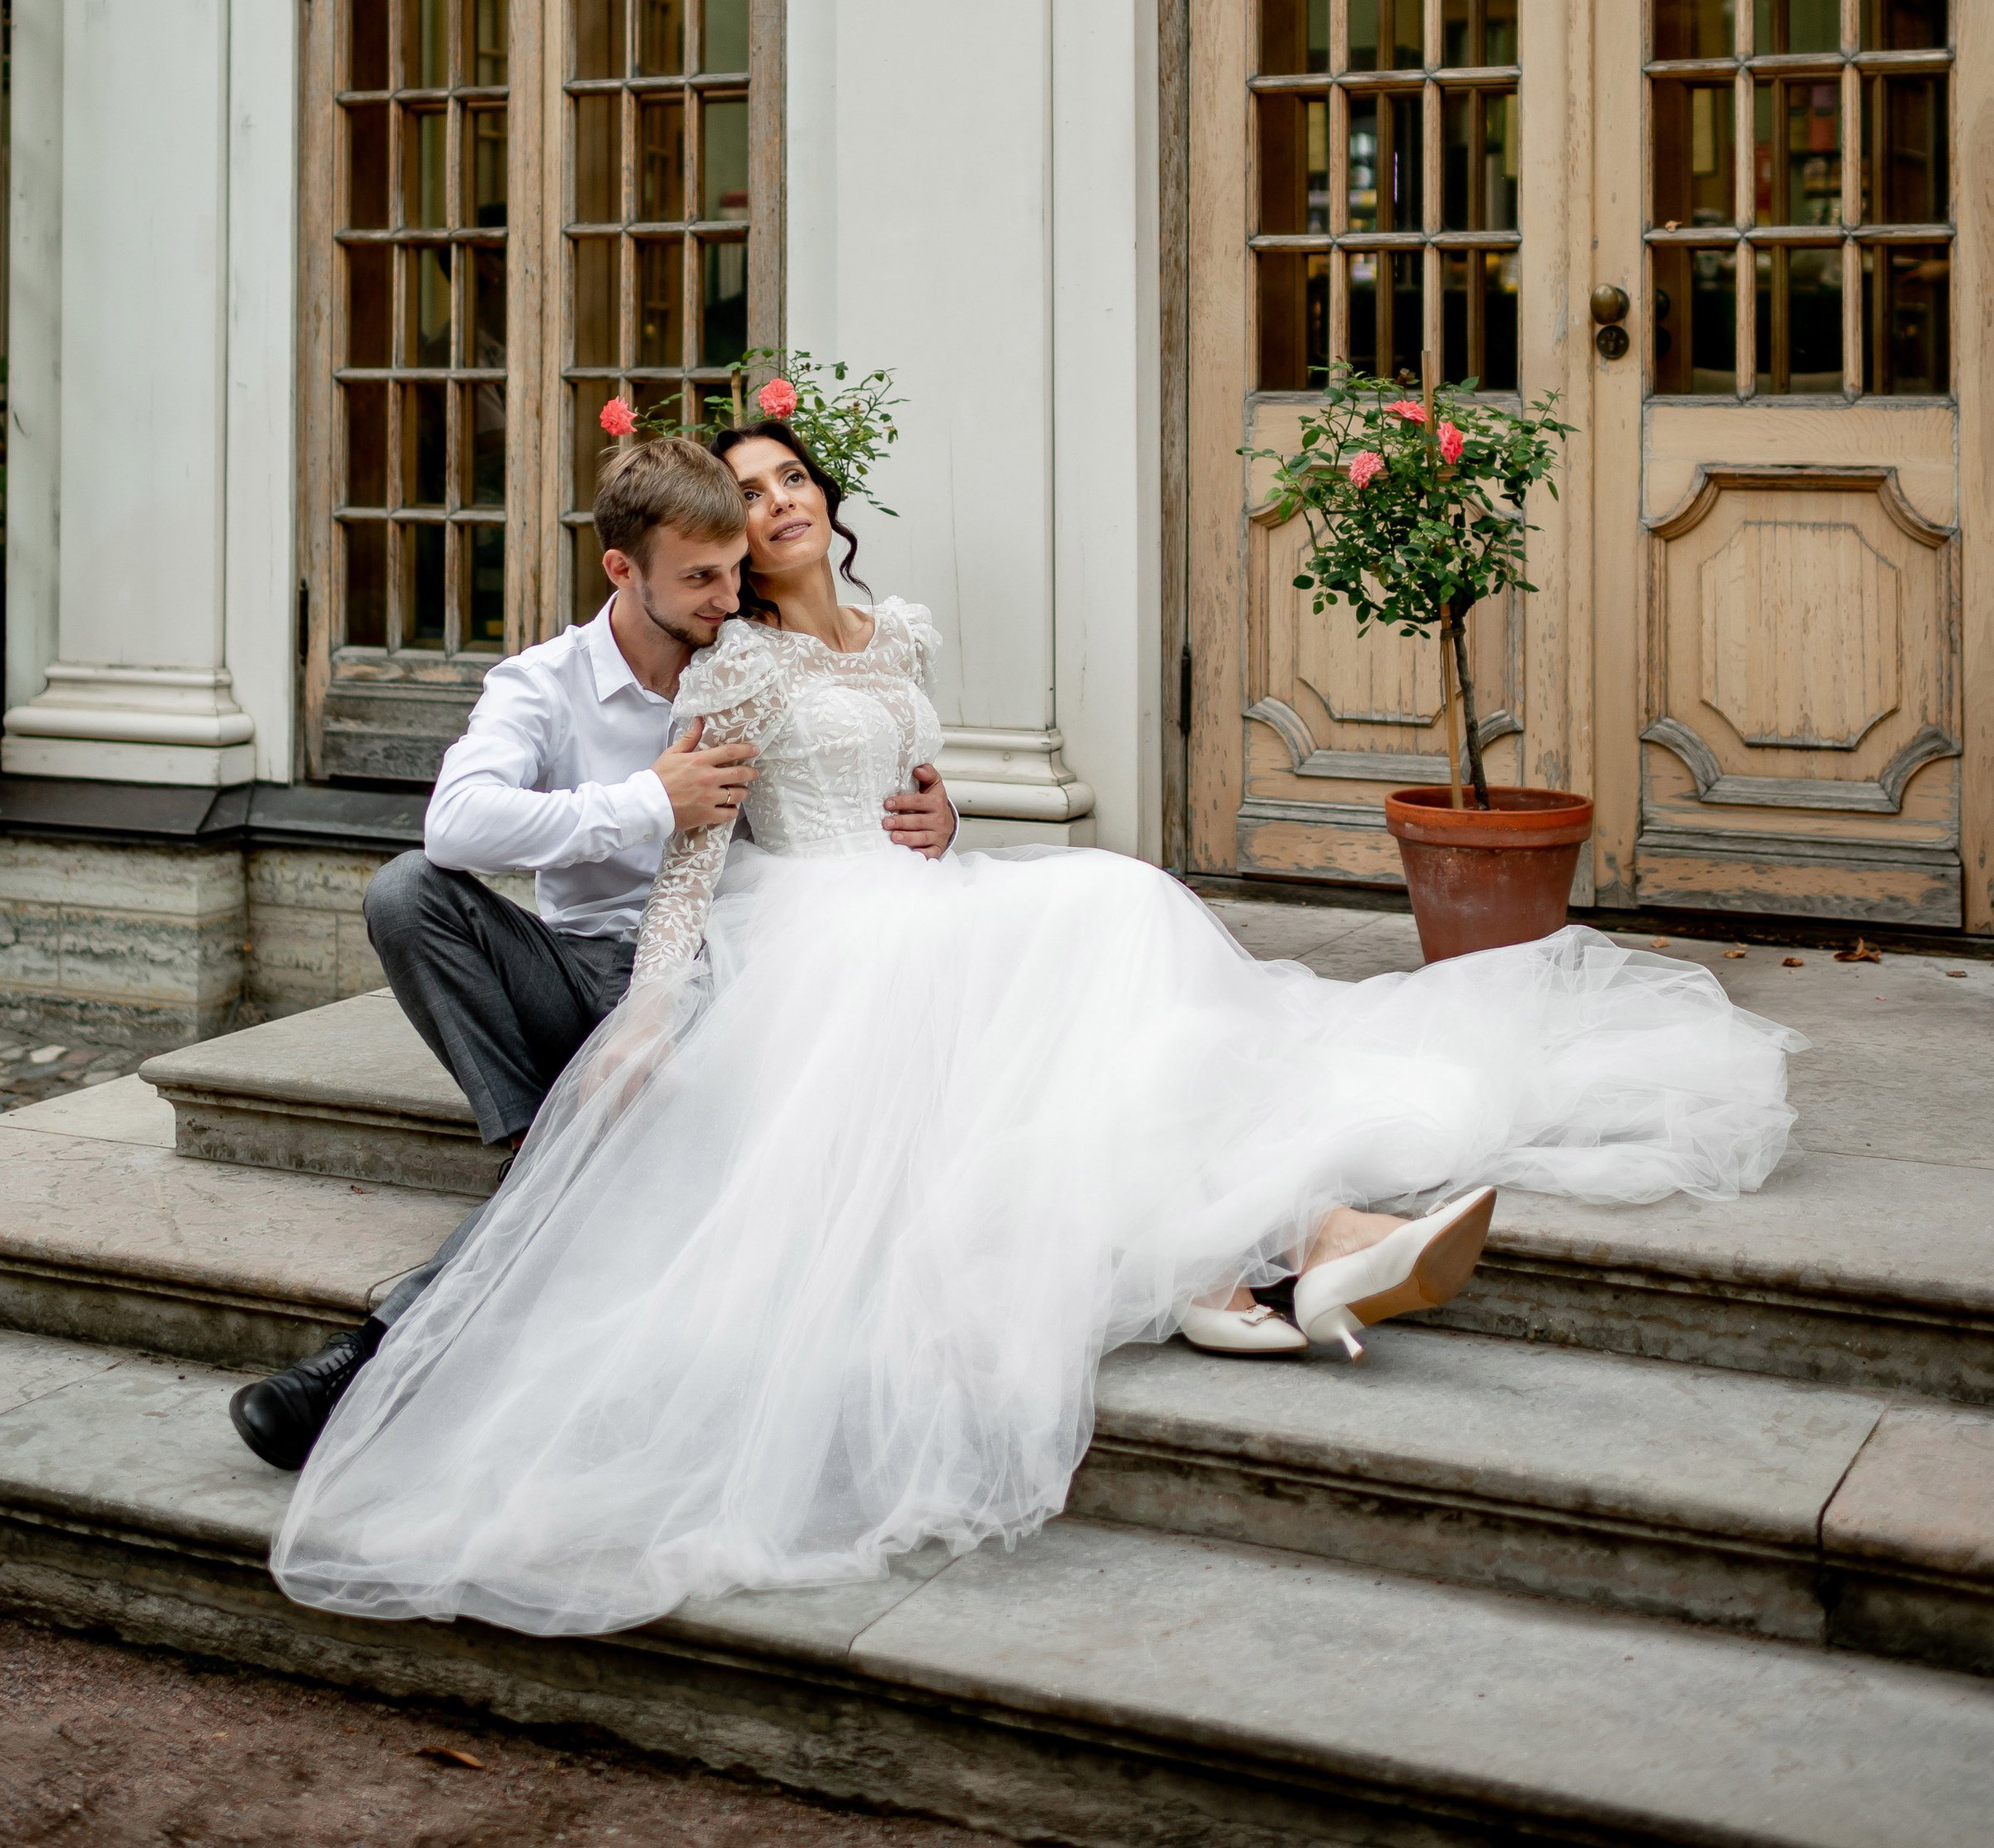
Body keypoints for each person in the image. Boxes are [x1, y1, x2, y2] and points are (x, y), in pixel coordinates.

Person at [267, 416, 1799, 1637]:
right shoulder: (725, 663)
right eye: (745, 499)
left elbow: (914, 784)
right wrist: (661, 1005)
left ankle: (1277, 1240)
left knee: (1113, 921)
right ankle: (1263, 1246)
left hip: (915, 900)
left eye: (790, 481)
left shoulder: (896, 632)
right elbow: (688, 858)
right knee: (1047, 981)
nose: (770, 513)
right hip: (805, 941)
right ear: (697, 551)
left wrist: (937, 815)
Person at [228, 433, 953, 1469]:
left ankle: (364, 1362)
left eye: (732, 570)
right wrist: (641, 801)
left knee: (645, 1094)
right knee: (407, 893)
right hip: (573, 966)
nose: (724, 592)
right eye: (699, 577)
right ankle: (536, 1137)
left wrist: (939, 812)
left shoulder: (749, 656)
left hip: (721, 976)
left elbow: (845, 788)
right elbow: (456, 824)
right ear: (624, 570)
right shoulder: (547, 680)